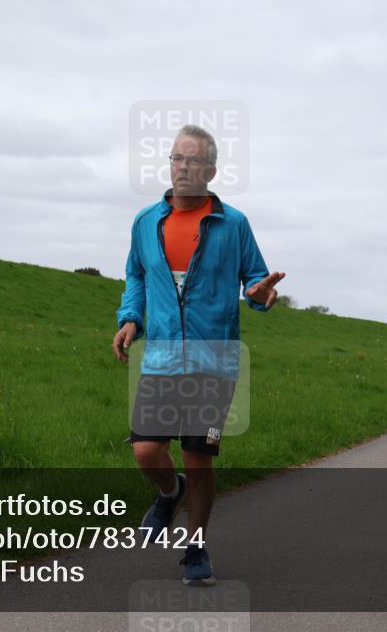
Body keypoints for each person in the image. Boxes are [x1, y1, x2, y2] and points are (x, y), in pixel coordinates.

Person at [113, 124, 283, 586]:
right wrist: (131, 319)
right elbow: (136, 276)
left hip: (213, 362)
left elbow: (255, 282)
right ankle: (170, 493)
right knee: (147, 451)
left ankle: (196, 548)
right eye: (175, 158)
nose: (182, 167)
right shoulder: (147, 221)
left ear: (210, 170)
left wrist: (262, 294)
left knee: (198, 458)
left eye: (192, 160)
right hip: (163, 359)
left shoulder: (234, 224)